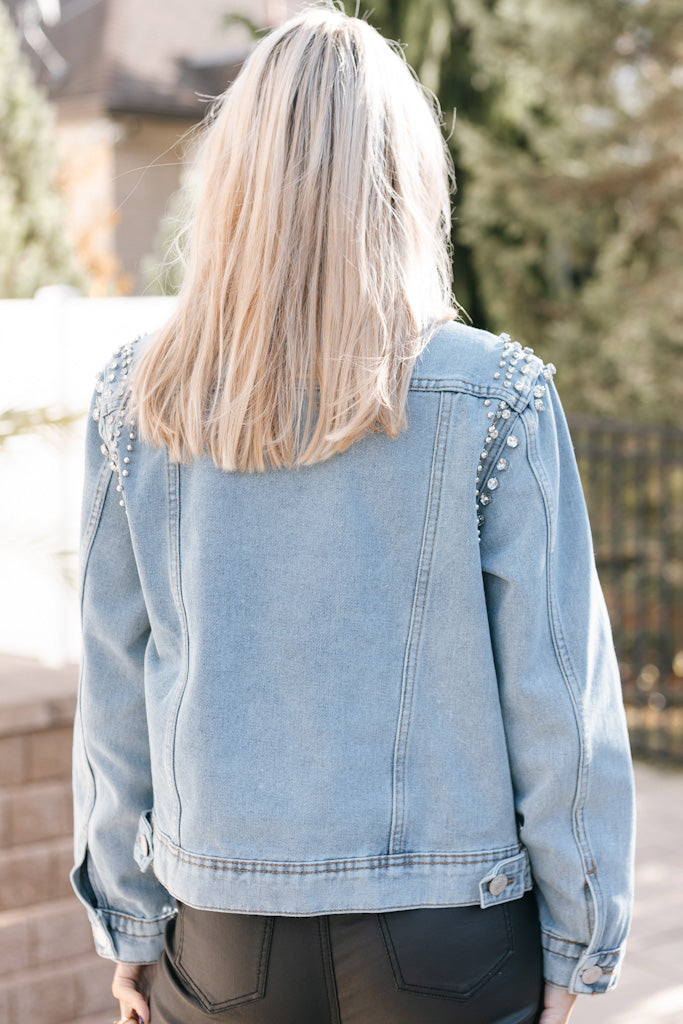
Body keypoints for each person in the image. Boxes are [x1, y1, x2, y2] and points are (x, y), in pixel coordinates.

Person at [70, 6, 635, 1024]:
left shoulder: (136, 399)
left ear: (233, 178)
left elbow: (114, 693)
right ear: (405, 175)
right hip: (451, 931)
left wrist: (129, 922)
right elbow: (559, 698)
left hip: (220, 926)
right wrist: (576, 942)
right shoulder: (494, 396)